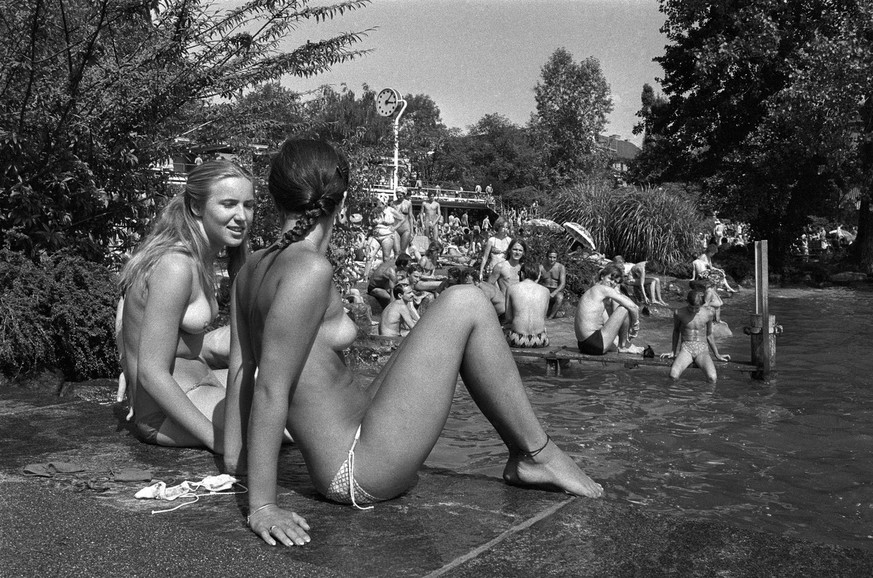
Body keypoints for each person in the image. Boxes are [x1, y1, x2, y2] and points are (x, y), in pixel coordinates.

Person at [223, 140, 603, 547]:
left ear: (274, 195)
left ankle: (532, 454)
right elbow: (269, 387)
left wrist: (236, 459)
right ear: (343, 200)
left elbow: (241, 371)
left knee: (449, 313)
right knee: (468, 301)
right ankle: (535, 453)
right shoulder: (307, 269)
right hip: (357, 466)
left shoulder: (252, 268)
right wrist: (262, 505)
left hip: (359, 434)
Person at [117, 159, 254, 450]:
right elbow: (151, 372)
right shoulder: (176, 265)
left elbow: (127, 309)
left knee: (291, 391)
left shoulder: (202, 259)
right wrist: (216, 440)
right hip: (163, 414)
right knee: (284, 420)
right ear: (196, 207)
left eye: (248, 205)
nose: (241, 216)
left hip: (200, 383)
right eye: (229, 204)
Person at [660, 289, 730, 382]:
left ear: (701, 305)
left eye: (696, 308)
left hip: (702, 350)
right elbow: (676, 331)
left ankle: (705, 396)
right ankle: (676, 395)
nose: (693, 310)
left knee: (712, 378)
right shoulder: (679, 313)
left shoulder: (709, 313)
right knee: (673, 375)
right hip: (686, 349)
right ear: (687, 302)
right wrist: (673, 351)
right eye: (691, 307)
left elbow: (709, 334)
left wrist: (717, 354)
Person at [574, 264, 643, 355]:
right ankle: (623, 346)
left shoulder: (594, 292)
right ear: (602, 276)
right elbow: (633, 307)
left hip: (583, 345)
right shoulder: (602, 289)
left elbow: (607, 324)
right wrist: (635, 328)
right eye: (610, 279)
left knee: (615, 344)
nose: (612, 283)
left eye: (616, 282)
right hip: (594, 343)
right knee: (624, 308)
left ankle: (625, 345)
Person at [504, 263, 550, 348]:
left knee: (502, 329)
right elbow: (543, 316)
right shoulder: (546, 291)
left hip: (517, 339)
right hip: (540, 340)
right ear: (538, 275)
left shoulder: (511, 289)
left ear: (522, 274)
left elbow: (508, 317)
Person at [539, 250, 566, 319]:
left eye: (554, 257)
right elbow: (536, 279)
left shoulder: (560, 267)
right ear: (547, 257)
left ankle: (551, 316)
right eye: (550, 257)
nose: (552, 259)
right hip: (545, 288)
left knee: (560, 298)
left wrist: (554, 293)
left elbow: (562, 283)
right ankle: (541, 315)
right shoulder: (541, 266)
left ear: (556, 258)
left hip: (556, 289)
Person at [391, 189, 414, 255]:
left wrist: (412, 231)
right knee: (396, 251)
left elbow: (410, 217)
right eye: (397, 195)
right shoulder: (393, 203)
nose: (398, 197)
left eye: (400, 195)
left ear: (404, 195)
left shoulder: (408, 203)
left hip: (405, 228)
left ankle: (402, 264)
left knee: (403, 251)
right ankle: (395, 264)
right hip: (396, 228)